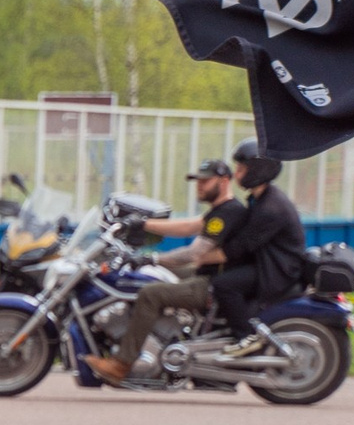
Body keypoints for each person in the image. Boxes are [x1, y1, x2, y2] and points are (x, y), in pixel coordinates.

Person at [84, 159, 241, 385]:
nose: (199, 186)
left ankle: (121, 364)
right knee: (148, 274)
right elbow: (187, 226)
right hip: (207, 275)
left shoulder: (229, 212)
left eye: (206, 181)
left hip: (213, 282)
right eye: (198, 181)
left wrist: (152, 258)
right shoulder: (222, 211)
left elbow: (194, 253)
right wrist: (142, 224)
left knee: (150, 293)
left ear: (224, 181)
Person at [209, 139, 307, 354]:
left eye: (241, 169)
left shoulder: (270, 208)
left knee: (223, 284)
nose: (236, 174)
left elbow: (240, 247)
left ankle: (245, 336)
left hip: (277, 270)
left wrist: (199, 257)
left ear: (257, 171)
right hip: (269, 262)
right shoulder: (261, 198)